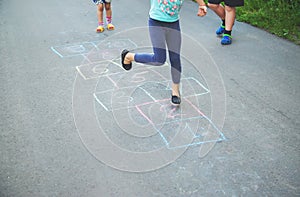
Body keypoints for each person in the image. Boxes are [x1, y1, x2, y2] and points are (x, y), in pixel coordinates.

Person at [121, 0, 207, 106]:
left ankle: (175, 91)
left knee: (175, 58)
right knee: (159, 60)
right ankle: (129, 56)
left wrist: (202, 4)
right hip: (156, 23)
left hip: (174, 24)